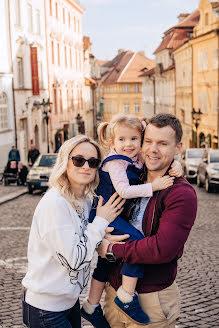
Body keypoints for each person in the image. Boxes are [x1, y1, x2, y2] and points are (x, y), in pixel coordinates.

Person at [81, 114, 182, 327]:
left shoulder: (136, 159)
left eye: (135, 139)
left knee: (104, 262)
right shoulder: (116, 162)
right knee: (135, 240)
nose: (129, 144)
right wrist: (155, 186)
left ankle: (91, 306)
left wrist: (177, 164)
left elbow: (159, 157)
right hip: (108, 213)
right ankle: (127, 296)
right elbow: (125, 190)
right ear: (113, 143)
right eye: (122, 140)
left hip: (113, 216)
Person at [22, 135, 126, 328]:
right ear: (65, 162)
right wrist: (101, 221)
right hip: (47, 309)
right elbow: (74, 259)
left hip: (69, 302)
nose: (86, 166)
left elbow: (84, 236)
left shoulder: (85, 201)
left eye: (93, 162)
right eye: (78, 160)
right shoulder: (55, 203)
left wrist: (103, 237)